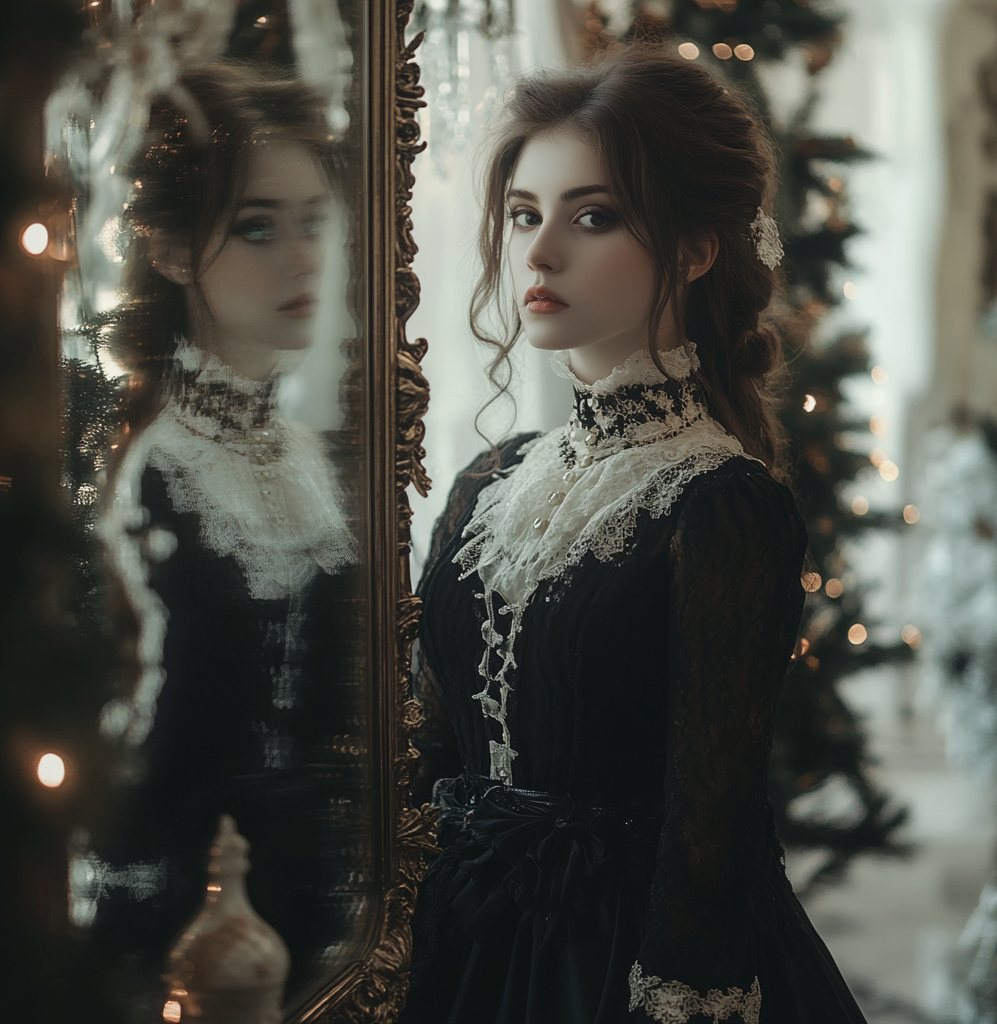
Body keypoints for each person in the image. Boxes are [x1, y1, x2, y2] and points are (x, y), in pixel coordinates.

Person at [402, 46, 868, 1024]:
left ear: (695, 248)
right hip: (454, 938)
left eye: (592, 216)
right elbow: (428, 742)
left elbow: (712, 834)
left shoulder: (722, 504)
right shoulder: (488, 480)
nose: (538, 253)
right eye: (526, 214)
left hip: (612, 963)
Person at [86, 62, 363, 1015]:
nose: (301, 257)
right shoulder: (141, 470)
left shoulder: (320, 459)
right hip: (176, 944)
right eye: (257, 226)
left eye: (314, 221)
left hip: (334, 930)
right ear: (168, 248)